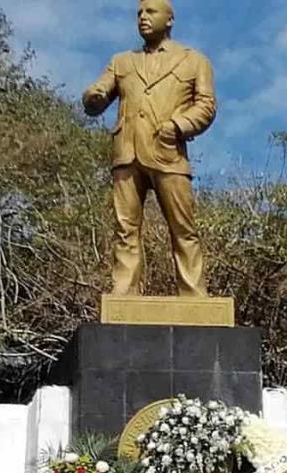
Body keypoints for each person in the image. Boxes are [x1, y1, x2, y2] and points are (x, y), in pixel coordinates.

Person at [82, 0, 216, 296]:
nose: (143, 17)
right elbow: (98, 92)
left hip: (168, 151)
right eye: (139, 13)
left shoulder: (194, 60)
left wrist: (178, 126)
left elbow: (206, 106)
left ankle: (194, 294)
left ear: (169, 20)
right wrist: (94, 95)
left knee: (183, 228)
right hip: (127, 153)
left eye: (151, 12)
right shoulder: (121, 61)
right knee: (125, 228)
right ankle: (125, 292)